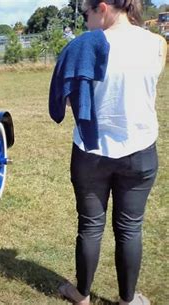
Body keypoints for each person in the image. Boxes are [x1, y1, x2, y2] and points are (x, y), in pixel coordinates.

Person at [49, 0, 167, 305]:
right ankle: (128, 301)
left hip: (90, 152)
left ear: (101, 8)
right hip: (140, 151)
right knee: (130, 228)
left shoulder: (82, 47)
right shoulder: (157, 44)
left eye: (87, 14)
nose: (86, 23)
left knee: (90, 225)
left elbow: (63, 103)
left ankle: (81, 294)